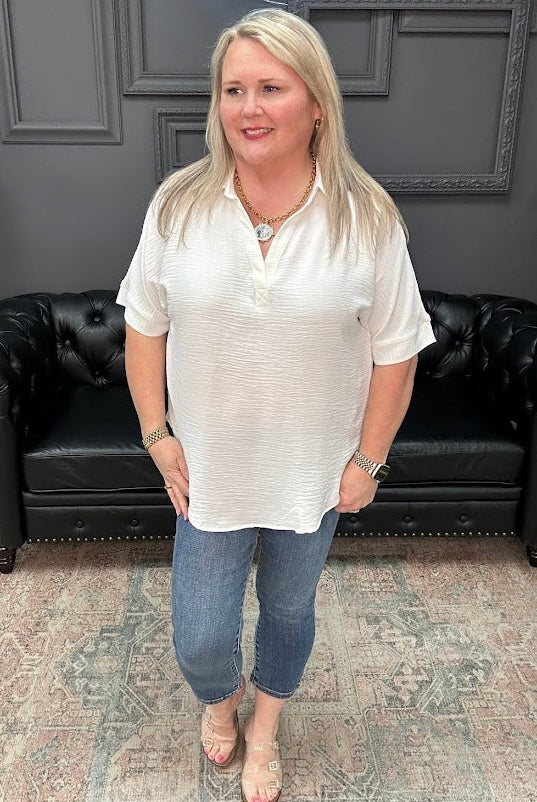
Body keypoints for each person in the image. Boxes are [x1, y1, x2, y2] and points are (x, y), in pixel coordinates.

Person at [116, 8, 436, 802]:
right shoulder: (177, 207)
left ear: (316, 103)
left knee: (288, 613)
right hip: (211, 475)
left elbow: (395, 350)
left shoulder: (367, 218)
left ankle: (262, 730)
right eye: (233, 90)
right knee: (199, 641)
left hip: (312, 476)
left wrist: (367, 460)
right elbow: (143, 329)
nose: (248, 108)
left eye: (270, 87)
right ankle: (218, 703)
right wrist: (156, 434)